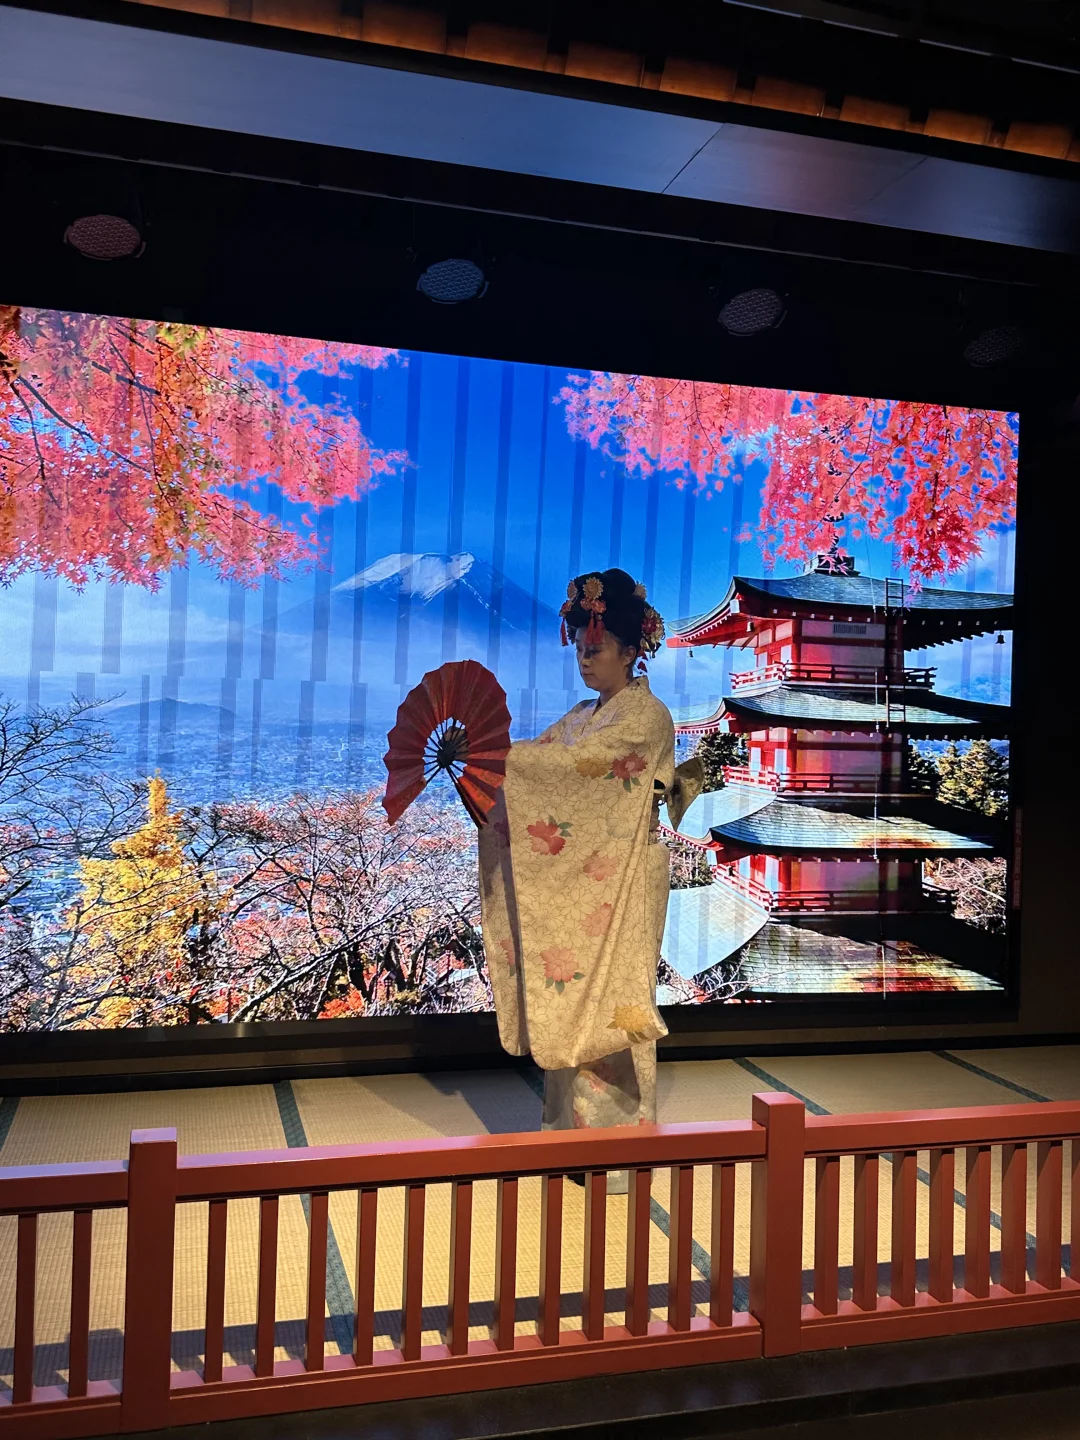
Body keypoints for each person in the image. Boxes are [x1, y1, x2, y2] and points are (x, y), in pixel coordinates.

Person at [479, 568, 694, 1171]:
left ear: (629, 653)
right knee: (569, 992)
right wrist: (483, 766)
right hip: (587, 876)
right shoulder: (581, 715)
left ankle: (617, 1151)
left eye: (595, 649)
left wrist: (503, 764)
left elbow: (577, 772)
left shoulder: (646, 718)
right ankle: (565, 1139)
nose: (584, 659)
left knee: (617, 1003)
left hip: (625, 876)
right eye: (578, 649)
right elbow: (539, 763)